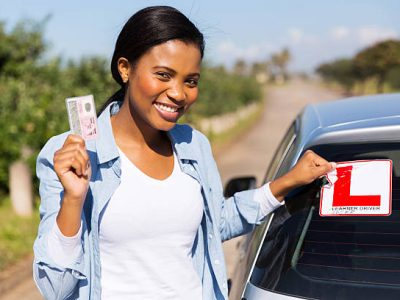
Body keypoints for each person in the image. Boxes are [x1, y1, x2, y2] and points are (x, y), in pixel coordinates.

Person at [33, 5, 335, 300]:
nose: (179, 93)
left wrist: (288, 182)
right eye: (163, 75)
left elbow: (215, 223)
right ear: (125, 69)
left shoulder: (193, 144)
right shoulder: (74, 156)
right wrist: (73, 199)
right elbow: (55, 289)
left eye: (190, 81)